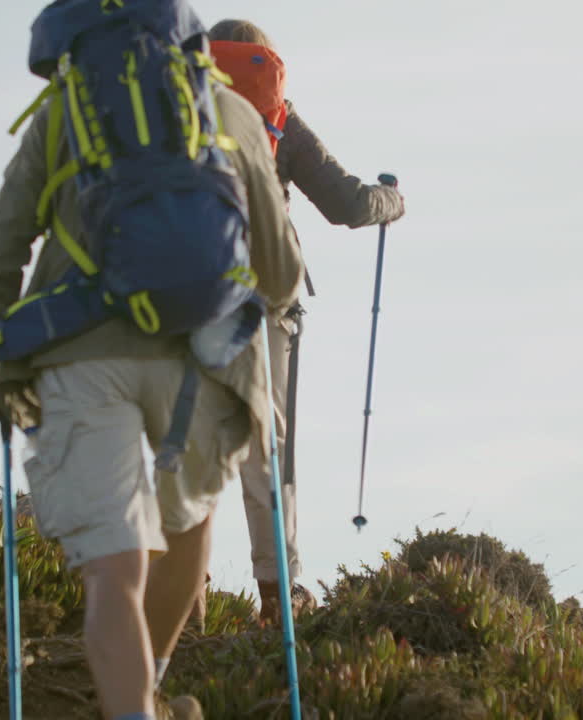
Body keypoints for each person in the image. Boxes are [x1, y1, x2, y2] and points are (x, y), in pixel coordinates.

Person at [0, 17, 304, 720]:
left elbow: (0, 246)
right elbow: (282, 270)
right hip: (204, 361)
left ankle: (132, 706)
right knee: (189, 520)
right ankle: (149, 685)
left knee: (114, 568)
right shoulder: (230, 109)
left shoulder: (65, 108)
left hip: (77, 357)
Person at [191, 19, 406, 627]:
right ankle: (277, 597)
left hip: (185, 302)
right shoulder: (278, 118)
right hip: (264, 303)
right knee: (267, 448)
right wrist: (393, 200)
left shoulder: (178, 112)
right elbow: (348, 204)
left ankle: (186, 603)